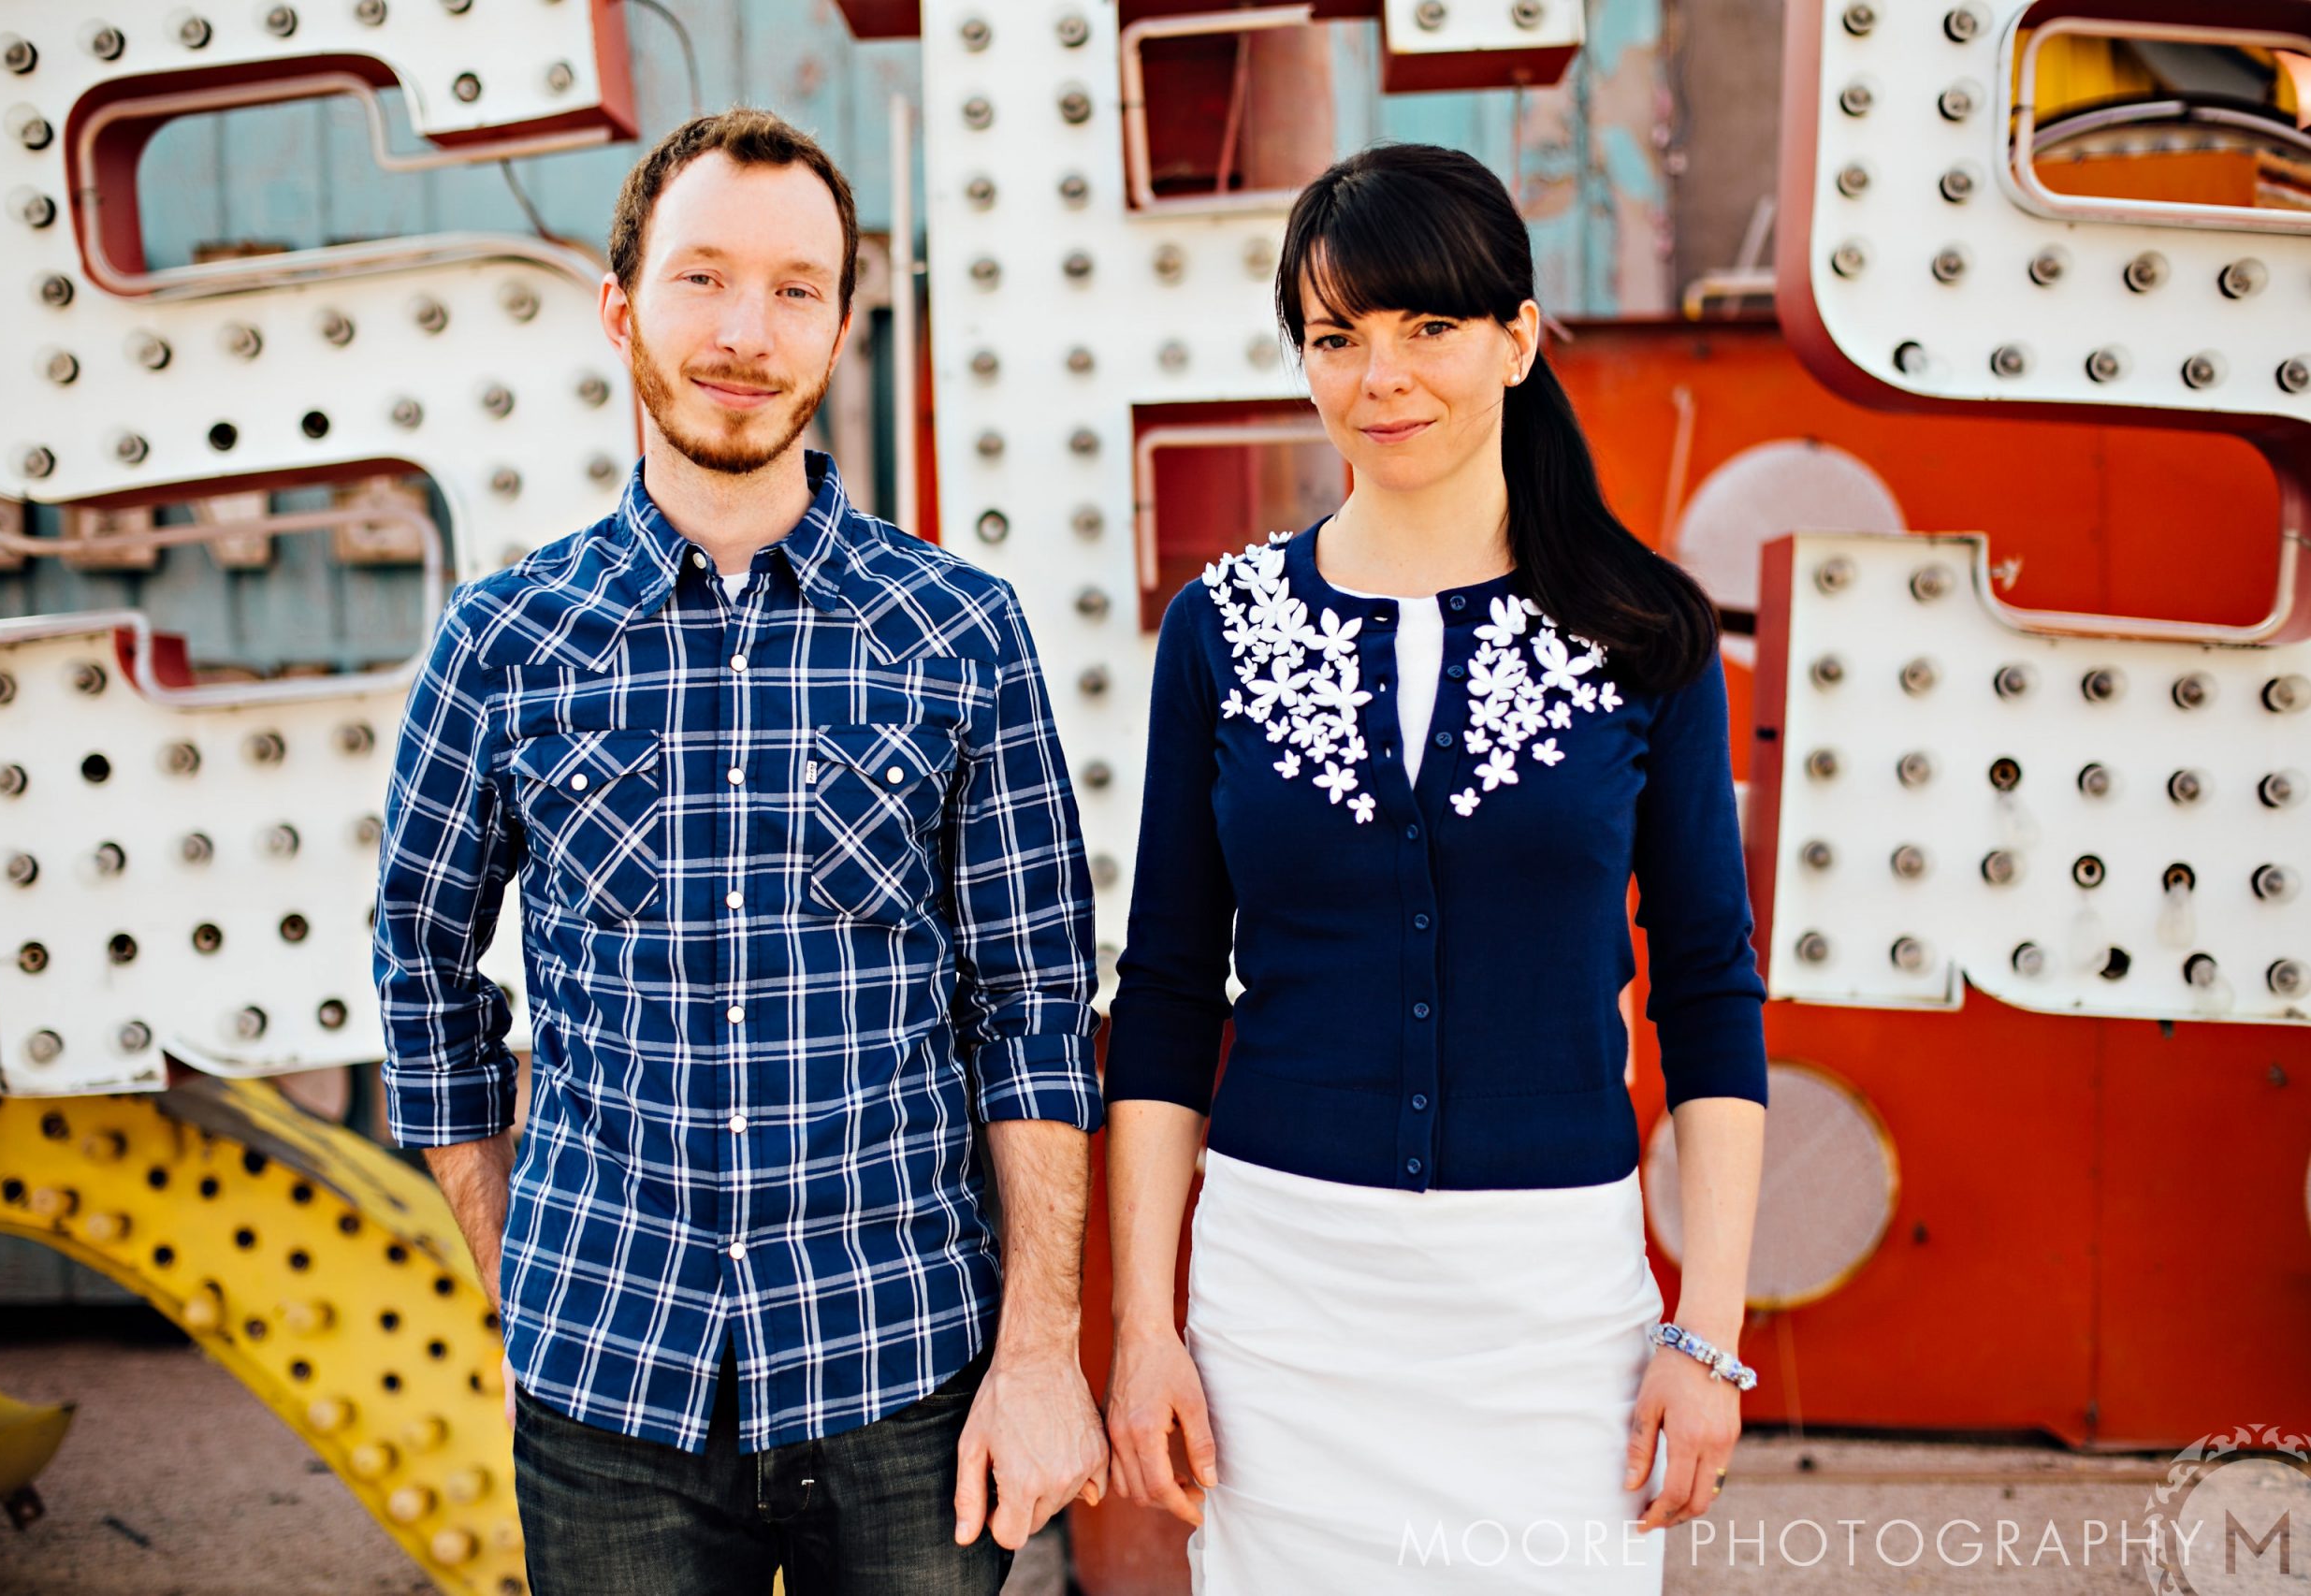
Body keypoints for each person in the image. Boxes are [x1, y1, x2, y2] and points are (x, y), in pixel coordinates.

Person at [373, 109, 1109, 1595]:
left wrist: (1039, 1352)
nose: (743, 332)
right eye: (702, 277)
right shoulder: (502, 643)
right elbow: (422, 958)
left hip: (904, 1366)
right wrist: (509, 1257)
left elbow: (1035, 1004)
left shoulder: (958, 633)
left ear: (841, 325)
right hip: (610, 1386)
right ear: (621, 303)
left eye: (792, 289)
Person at [1099, 142, 1770, 1593]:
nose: (1382, 376)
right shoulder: (1217, 630)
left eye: (1429, 327)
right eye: (1337, 337)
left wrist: (1702, 1331)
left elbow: (1710, 992)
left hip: (1551, 1308)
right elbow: (1161, 994)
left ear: (1518, 337)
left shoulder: (1645, 631)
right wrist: (1143, 1325)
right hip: (1281, 1303)